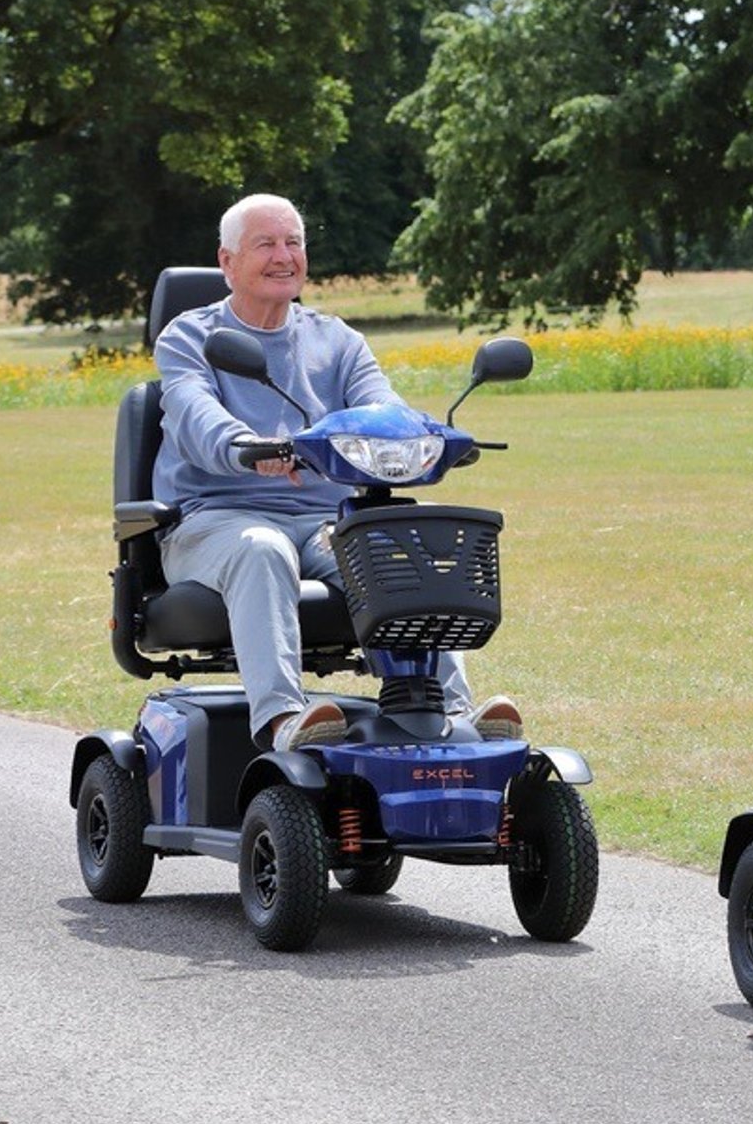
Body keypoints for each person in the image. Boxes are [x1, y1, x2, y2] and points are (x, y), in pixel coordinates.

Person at [152, 192, 523, 752]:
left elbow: (382, 410)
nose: (284, 256)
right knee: (263, 548)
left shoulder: (338, 340)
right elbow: (196, 415)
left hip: (326, 518)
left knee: (394, 543)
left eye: (294, 242)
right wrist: (248, 446)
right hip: (214, 520)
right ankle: (282, 722)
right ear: (227, 262)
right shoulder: (189, 337)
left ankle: (451, 715)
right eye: (266, 244)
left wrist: (427, 440)